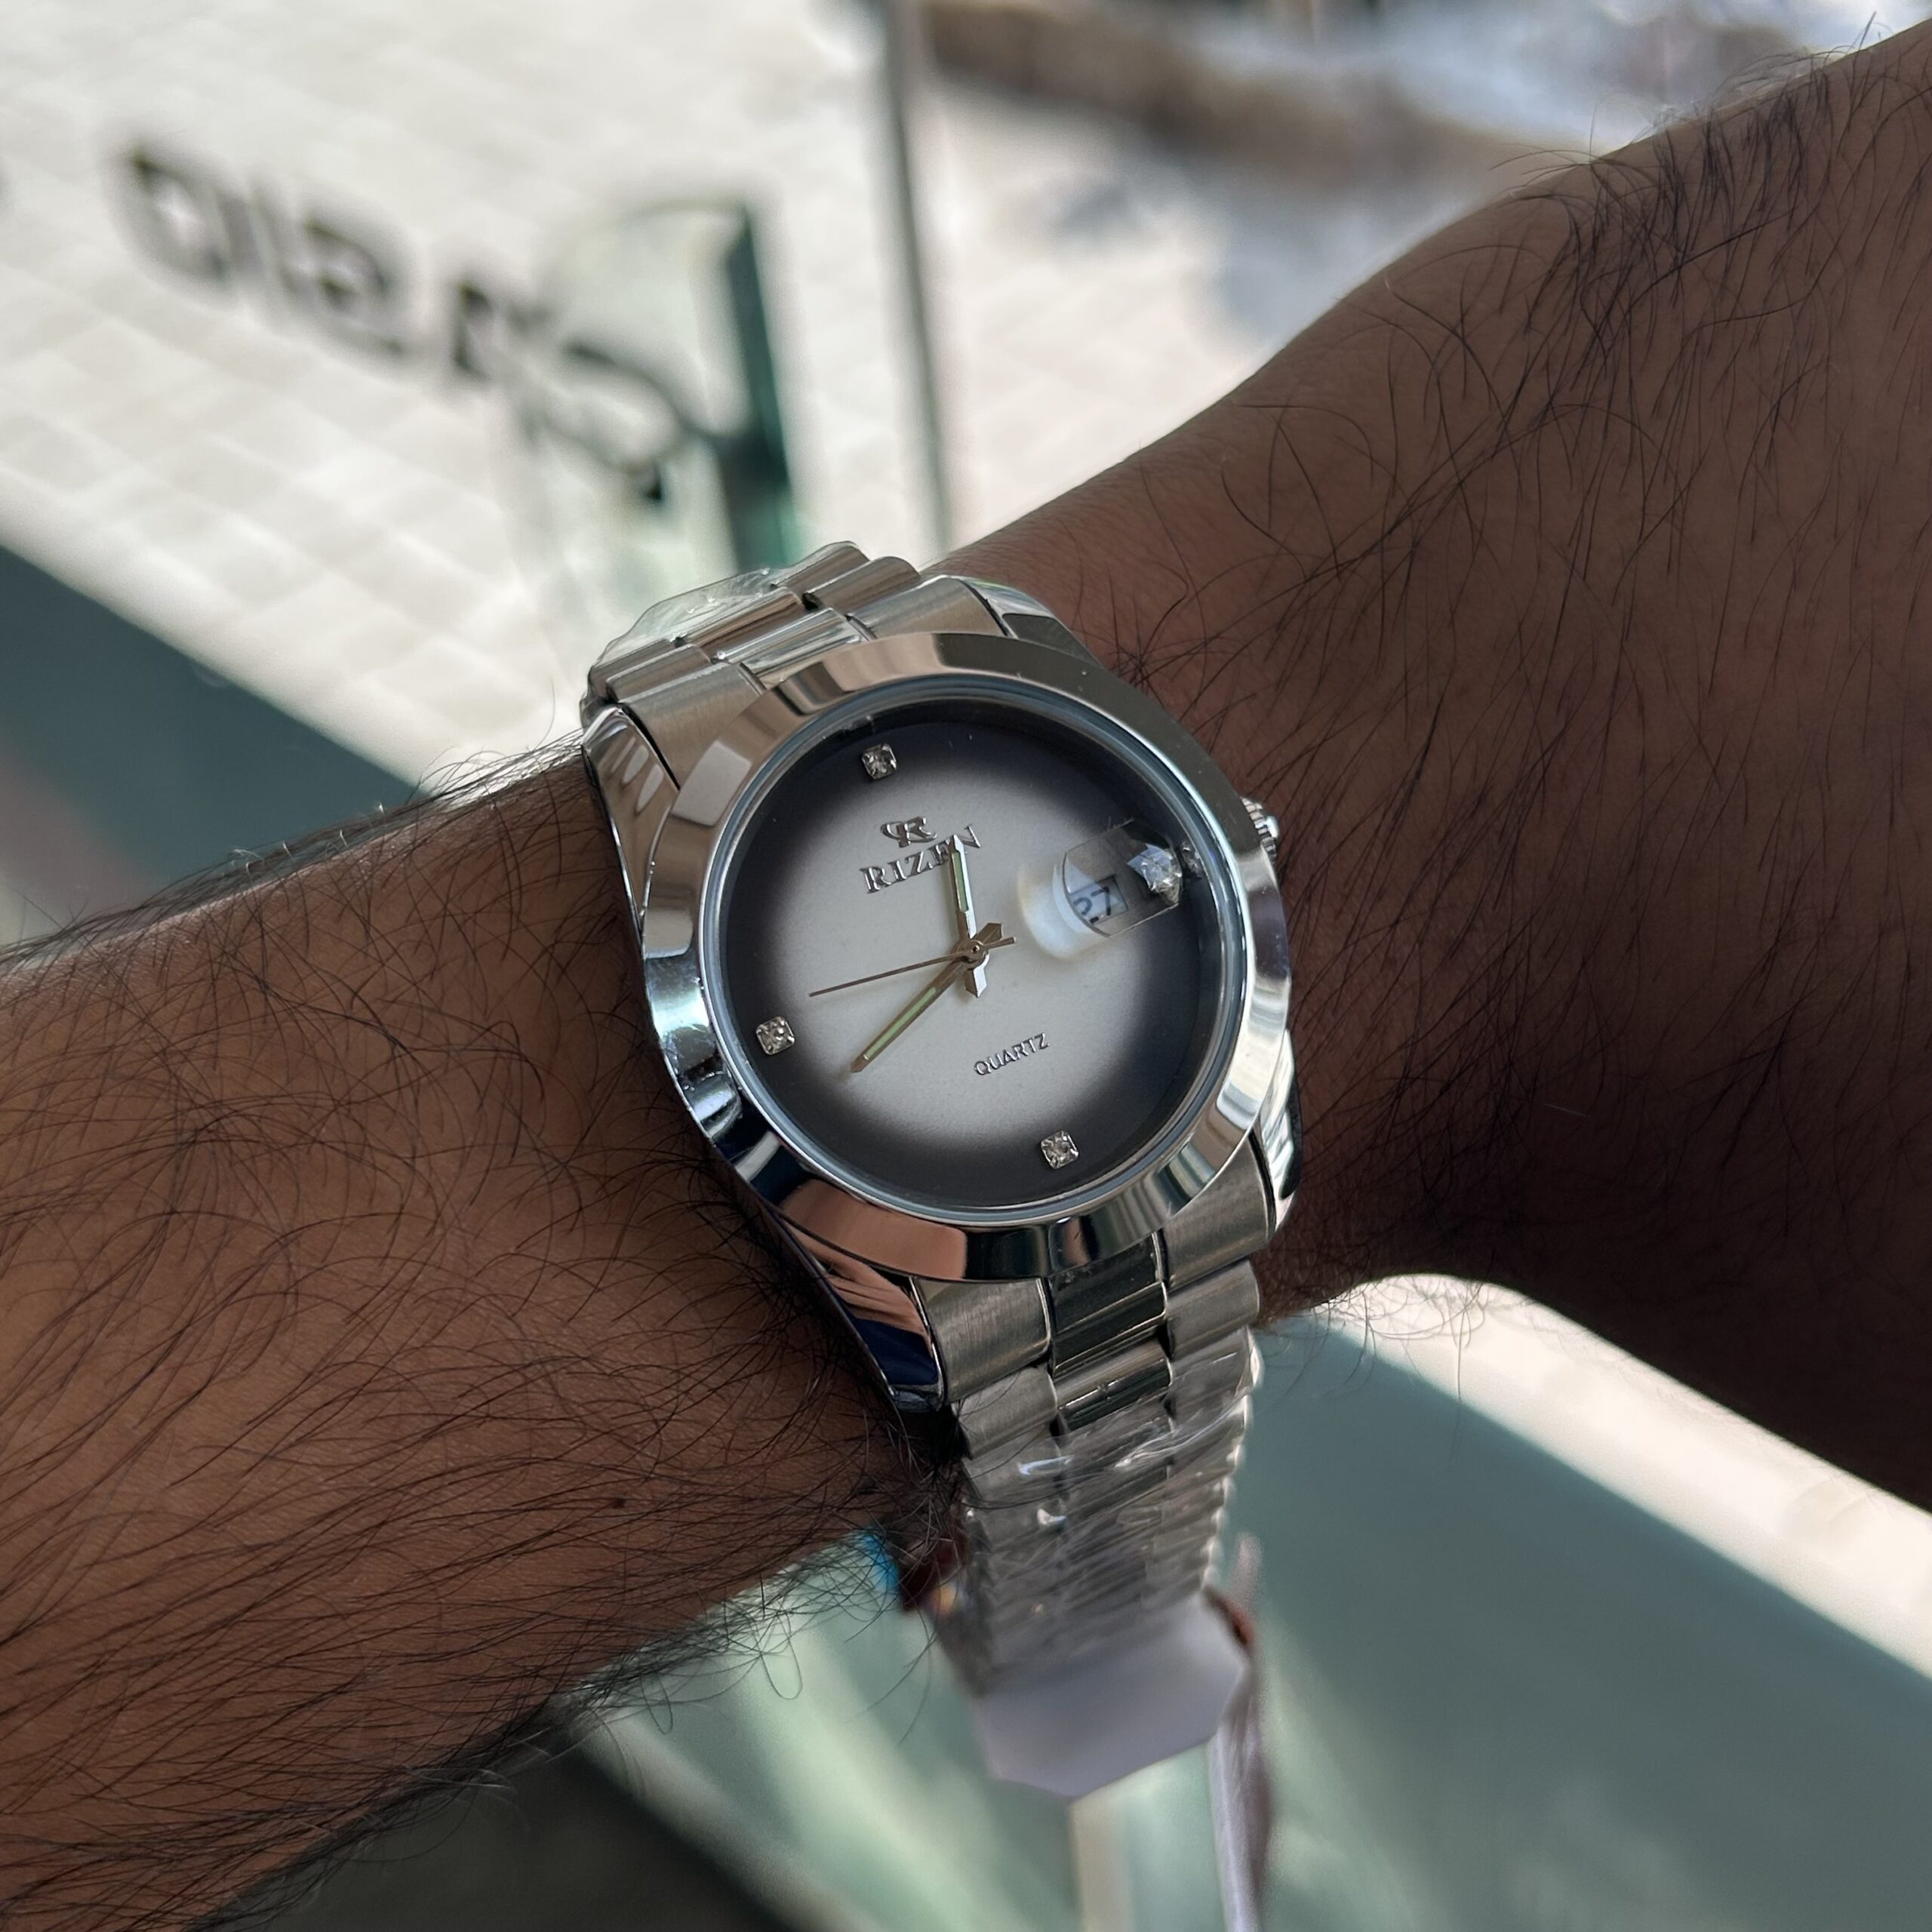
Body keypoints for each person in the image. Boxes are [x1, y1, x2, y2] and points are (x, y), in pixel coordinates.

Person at [8, 21, 1932, 1928]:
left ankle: (1088, 1668)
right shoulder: (753, 1064)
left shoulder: (1196, 1004)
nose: (970, 946)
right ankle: (1084, 1665)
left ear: (1231, 847)